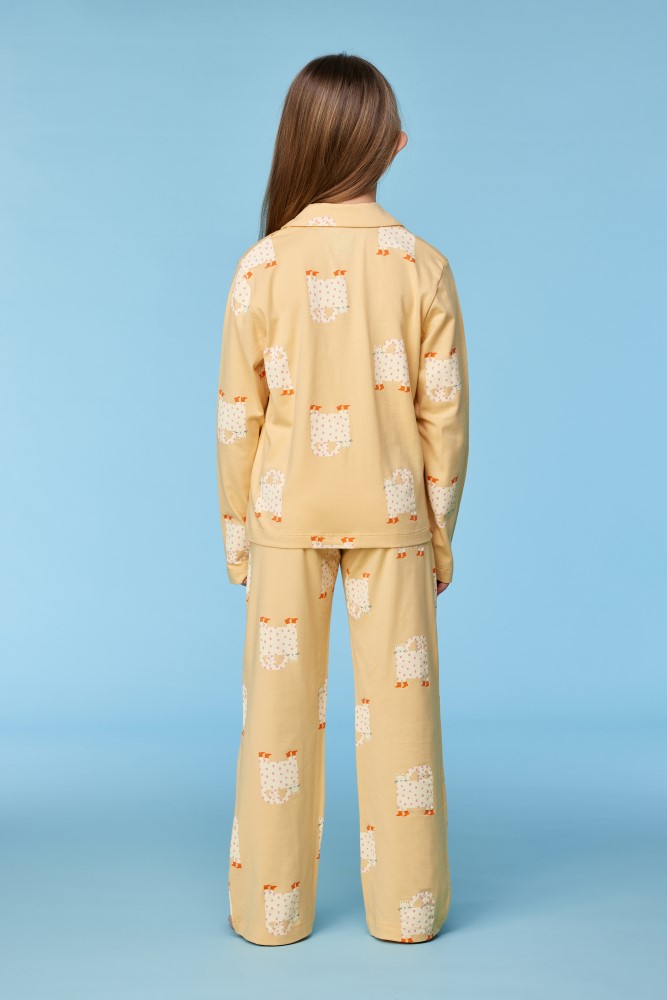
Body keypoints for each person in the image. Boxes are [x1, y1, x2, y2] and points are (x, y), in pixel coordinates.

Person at [215, 52, 470, 946]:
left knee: (274, 723)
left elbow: (236, 418)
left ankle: (269, 912)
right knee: (402, 721)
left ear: (299, 142)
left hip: (284, 517)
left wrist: (238, 542)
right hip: (393, 517)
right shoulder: (421, 265)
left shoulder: (260, 265)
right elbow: (444, 417)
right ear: (391, 146)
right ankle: (407, 912)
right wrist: (438, 536)